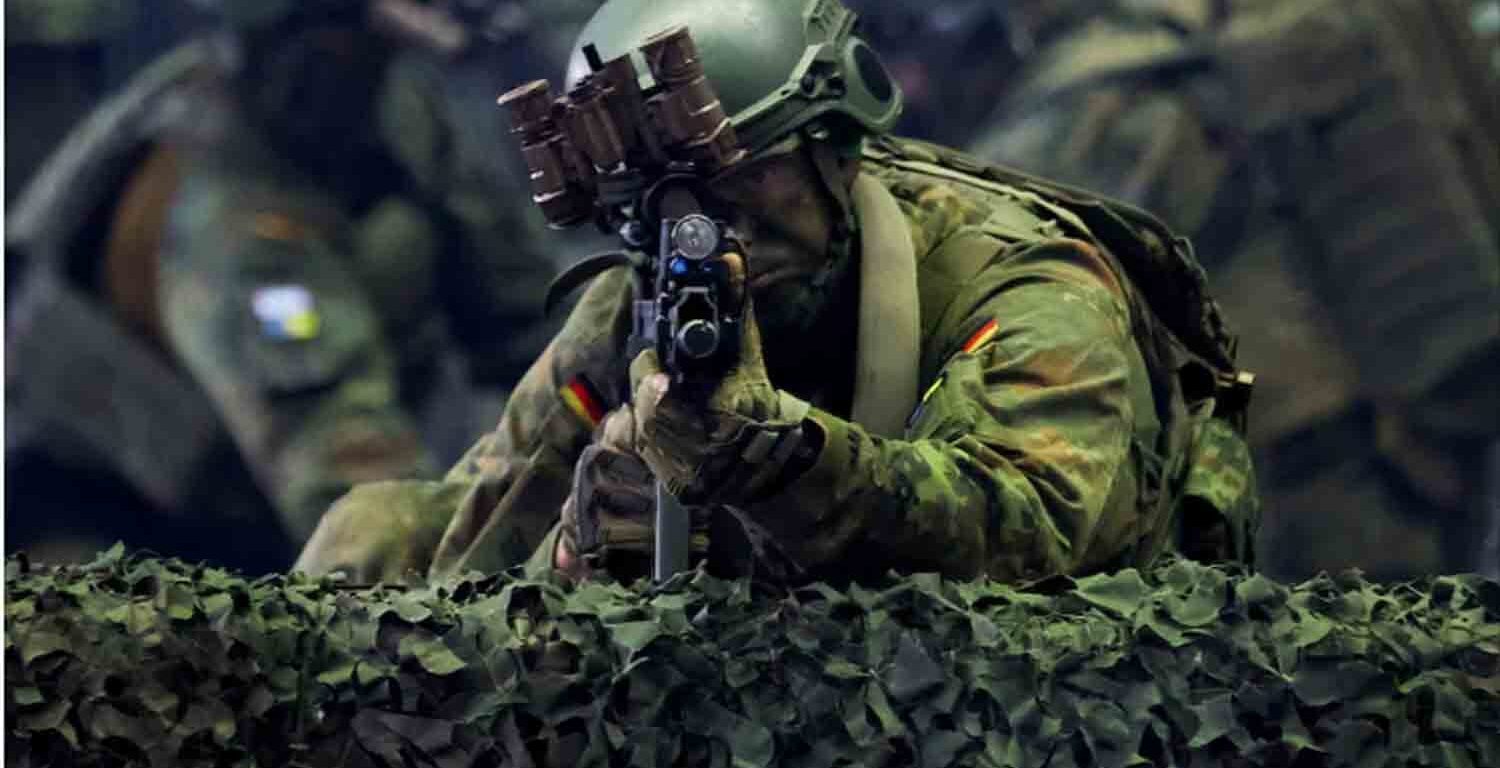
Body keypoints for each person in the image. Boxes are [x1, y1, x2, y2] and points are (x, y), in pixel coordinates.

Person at [294, 0, 1259, 585]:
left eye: (740, 184)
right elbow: (467, 535)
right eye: (663, 209)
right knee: (377, 534)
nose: (709, 235)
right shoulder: (639, 307)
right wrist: (570, 564)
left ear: (833, 144)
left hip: (1062, 683)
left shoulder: (1017, 283)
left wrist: (771, 458)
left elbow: (1031, 530)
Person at [5, 0, 590, 570]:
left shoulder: (386, 109)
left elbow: (527, 320)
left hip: (264, 504)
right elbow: (354, 498)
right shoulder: (231, 218)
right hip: (120, 542)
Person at [969, 0, 1500, 580]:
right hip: (1412, 442)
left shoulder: (1123, 74)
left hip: (1306, 473)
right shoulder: (1246, 30)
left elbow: (995, 246)